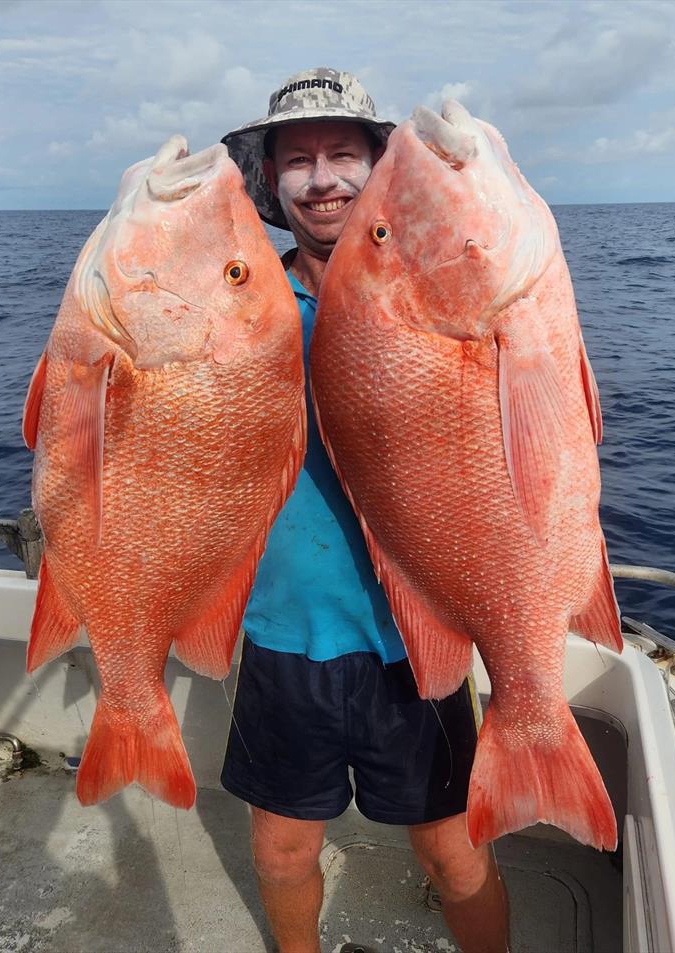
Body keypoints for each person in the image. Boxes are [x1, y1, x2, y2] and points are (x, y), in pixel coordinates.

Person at [220, 68, 510, 953]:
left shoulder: (438, 298)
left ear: (381, 168)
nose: (323, 178)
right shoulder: (236, 304)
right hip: (282, 630)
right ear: (271, 182)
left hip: (409, 631)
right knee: (279, 848)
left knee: (454, 852)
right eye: (297, 159)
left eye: (344, 153)